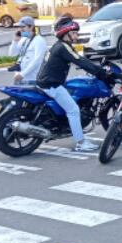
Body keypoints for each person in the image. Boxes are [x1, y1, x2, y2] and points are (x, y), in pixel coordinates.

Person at [36, 16, 108, 152]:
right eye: (74, 32)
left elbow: (79, 59)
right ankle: (81, 142)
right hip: (52, 85)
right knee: (73, 110)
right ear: (66, 33)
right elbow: (79, 60)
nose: (76, 35)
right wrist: (100, 72)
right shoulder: (63, 47)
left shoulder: (59, 46)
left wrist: (92, 67)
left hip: (45, 82)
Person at [8, 16, 47, 85]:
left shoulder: (39, 40)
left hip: (32, 78)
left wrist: (23, 74)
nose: (20, 29)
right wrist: (15, 41)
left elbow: (38, 60)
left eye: (23, 27)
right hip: (19, 77)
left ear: (31, 27)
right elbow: (12, 54)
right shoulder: (23, 39)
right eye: (20, 27)